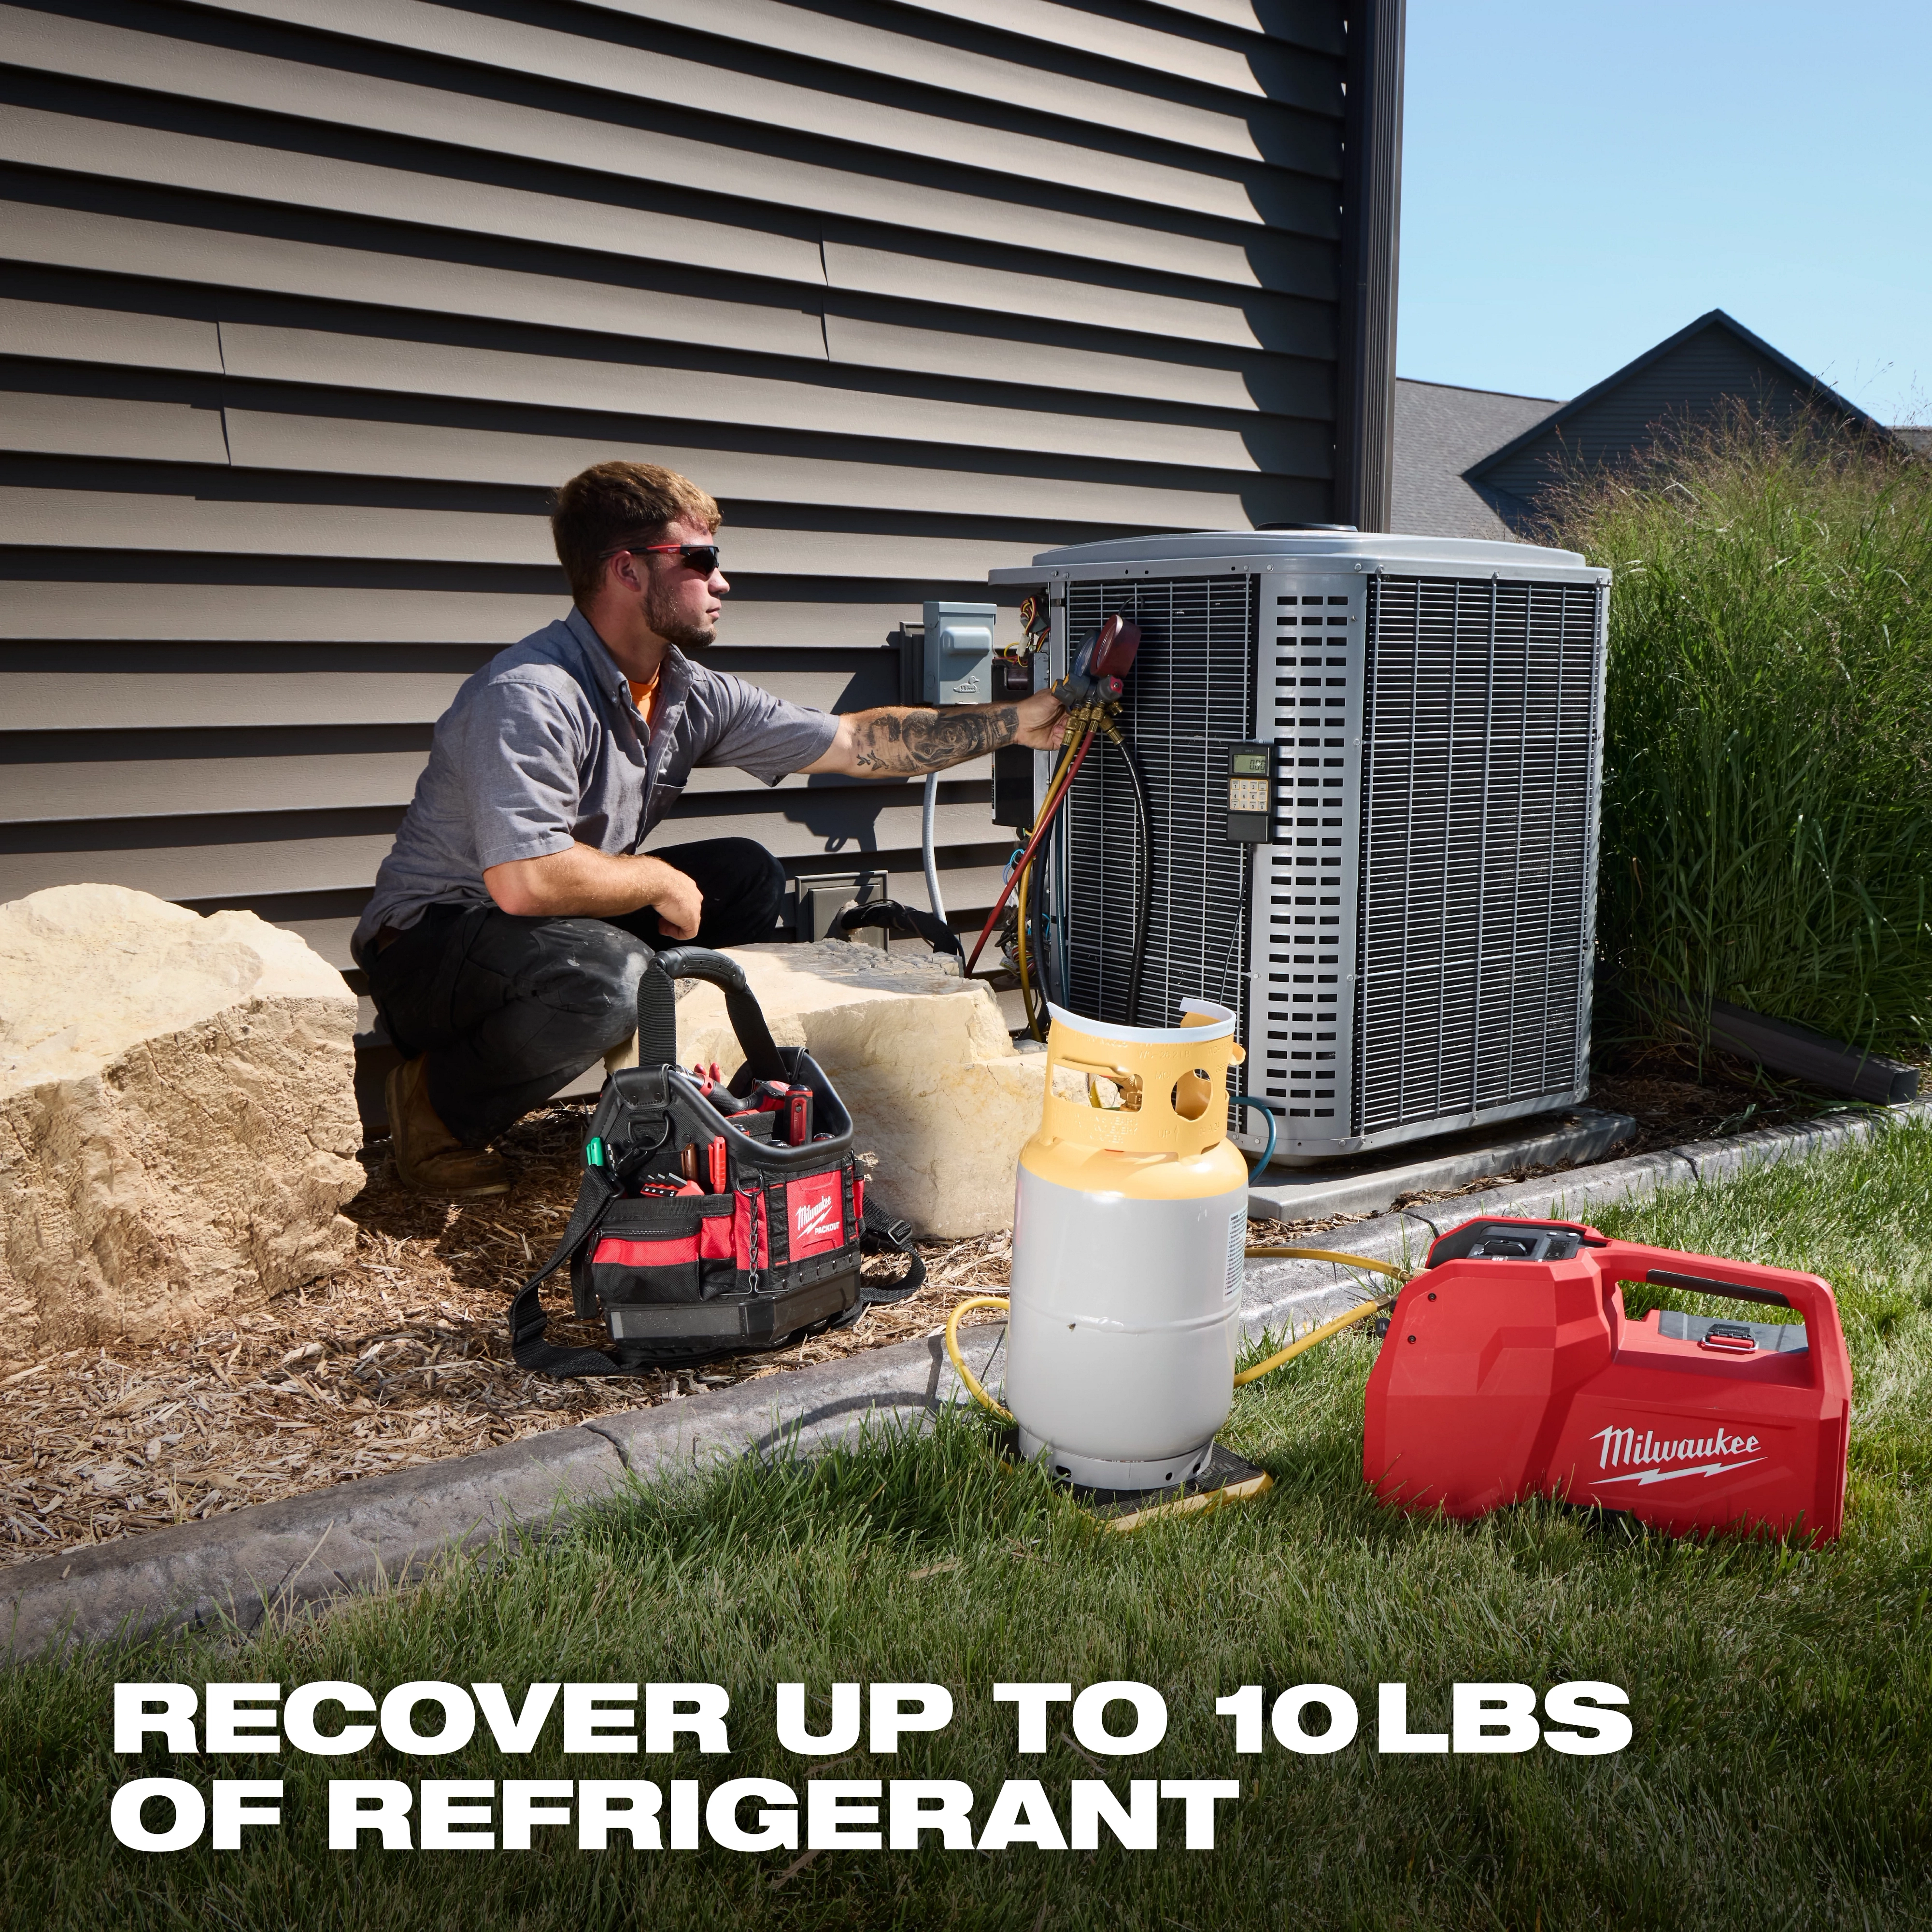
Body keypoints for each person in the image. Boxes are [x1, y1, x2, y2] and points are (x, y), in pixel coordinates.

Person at [352, 460, 1065, 1197]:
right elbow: (525, 880)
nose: (721, 583)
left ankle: (678, 1094)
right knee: (612, 977)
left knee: (746, 876)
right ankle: (437, 1107)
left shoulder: (685, 692)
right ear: (627, 570)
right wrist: (656, 879)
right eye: (699, 561)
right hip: (433, 949)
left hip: (540, 929)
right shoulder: (531, 694)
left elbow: (855, 743)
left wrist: (1019, 723)